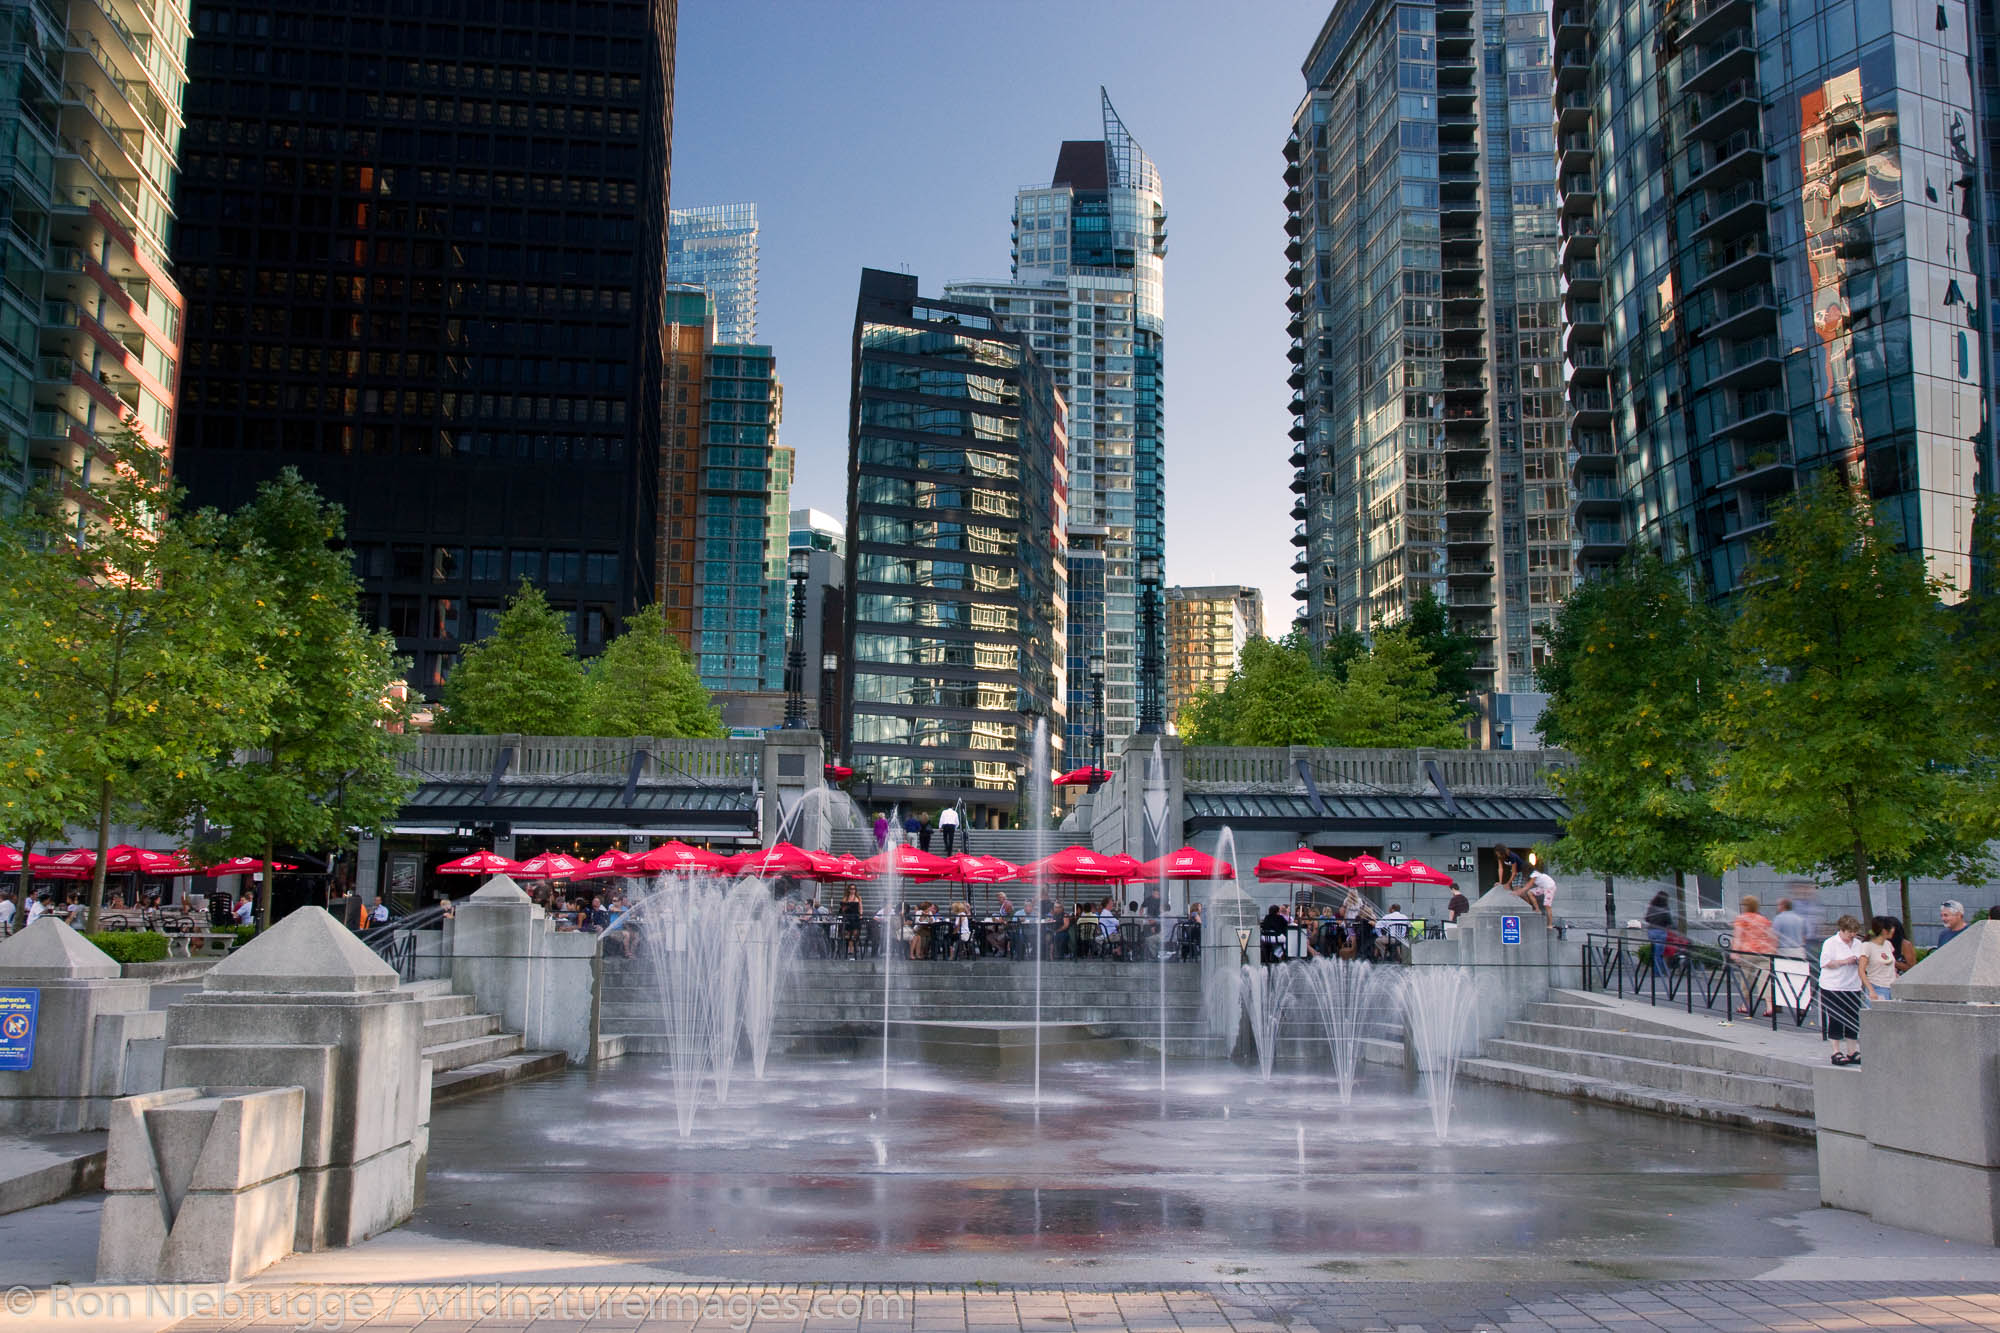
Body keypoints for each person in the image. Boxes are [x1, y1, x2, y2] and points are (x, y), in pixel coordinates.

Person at [1818, 915, 1867, 1065]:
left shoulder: (1857, 943)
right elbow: (1825, 963)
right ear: (1842, 930)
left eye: (1854, 932)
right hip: (1833, 986)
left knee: (1853, 1018)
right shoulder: (1831, 943)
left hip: (1852, 986)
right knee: (1836, 1018)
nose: (1852, 935)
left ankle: (1852, 1051)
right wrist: (1845, 961)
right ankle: (1835, 1051)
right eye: (1849, 932)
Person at [1730, 895, 1777, 1016]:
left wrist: (1735, 952)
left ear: (1745, 906)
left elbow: (1738, 936)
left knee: (1746, 979)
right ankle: (1769, 1006)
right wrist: (1773, 951)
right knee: (1765, 979)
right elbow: (1772, 936)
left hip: (1747, 953)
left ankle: (1746, 1005)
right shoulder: (1763, 919)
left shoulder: (1741, 919)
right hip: (1765, 953)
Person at [1861, 916, 1898, 1004]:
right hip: (1877, 987)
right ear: (1884, 931)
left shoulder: (1888, 944)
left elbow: (1891, 966)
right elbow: (1861, 970)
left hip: (1892, 987)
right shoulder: (1867, 946)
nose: (1894, 929)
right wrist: (1871, 990)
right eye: (1891, 927)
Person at [1644, 891, 1673, 977]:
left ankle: (1660, 971)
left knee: (1655, 952)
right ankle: (1659, 972)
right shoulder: (1665, 909)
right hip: (1661, 931)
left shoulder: (1652, 907)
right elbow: (1669, 921)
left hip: (1651, 931)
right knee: (1659, 954)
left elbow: (1647, 918)